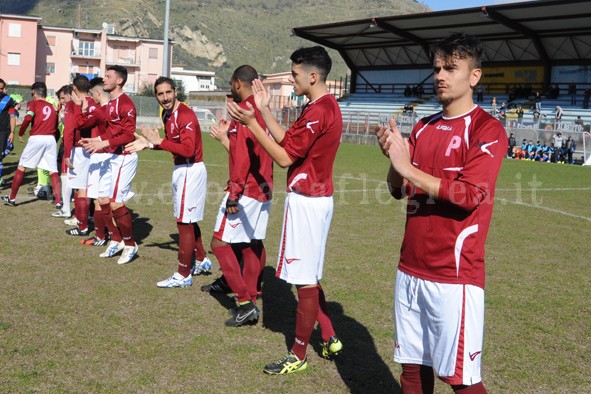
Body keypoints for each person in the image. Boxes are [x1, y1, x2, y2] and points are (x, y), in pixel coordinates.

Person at [376, 32, 506, 393]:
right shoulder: (424, 125)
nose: (440, 76)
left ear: (474, 76)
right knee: (412, 371)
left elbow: (468, 195)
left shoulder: (487, 129)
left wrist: (408, 166)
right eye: (437, 68)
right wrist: (394, 159)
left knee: (462, 380)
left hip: (454, 276)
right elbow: (396, 189)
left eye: (451, 68)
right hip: (410, 268)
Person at [227, 46, 343, 374]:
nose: (291, 79)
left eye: (294, 74)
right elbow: (289, 141)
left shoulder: (320, 110)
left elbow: (282, 158)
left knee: (304, 282)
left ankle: (298, 354)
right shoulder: (319, 106)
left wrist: (251, 123)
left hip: (307, 201)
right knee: (308, 277)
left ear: (313, 76)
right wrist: (263, 113)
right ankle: (329, 336)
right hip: (313, 199)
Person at [199, 65, 274, 326]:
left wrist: (234, 191)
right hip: (264, 188)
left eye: (232, 85)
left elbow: (242, 157)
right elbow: (252, 152)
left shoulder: (244, 111)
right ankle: (253, 292)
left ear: (237, 83)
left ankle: (244, 302)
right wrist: (225, 137)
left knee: (219, 243)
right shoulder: (261, 110)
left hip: (247, 190)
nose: (231, 89)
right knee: (251, 243)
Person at [125, 76, 211, 286]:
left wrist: (159, 142)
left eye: (168, 92)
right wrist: (150, 145)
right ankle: (201, 260)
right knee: (188, 219)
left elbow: (189, 150)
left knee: (184, 222)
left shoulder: (185, 115)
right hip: (181, 169)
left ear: (175, 92)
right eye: (160, 94)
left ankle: (183, 275)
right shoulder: (166, 114)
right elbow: (172, 145)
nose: (165, 98)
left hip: (190, 169)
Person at [80, 65, 138, 265]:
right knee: (103, 199)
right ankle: (115, 239)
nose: (104, 79)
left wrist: (103, 142)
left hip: (125, 157)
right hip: (113, 155)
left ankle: (130, 244)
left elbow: (128, 135)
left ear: (119, 81)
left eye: (108, 76)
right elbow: (113, 133)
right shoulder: (112, 103)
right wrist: (95, 141)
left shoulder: (126, 104)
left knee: (115, 202)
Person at [2, 82, 62, 209]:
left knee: (22, 166)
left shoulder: (33, 104)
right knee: (53, 170)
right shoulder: (52, 106)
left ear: (34, 92)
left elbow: (28, 119)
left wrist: (21, 132)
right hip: (50, 139)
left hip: (37, 137)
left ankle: (12, 198)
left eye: (32, 93)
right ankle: (58, 201)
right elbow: (57, 122)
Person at [76, 77, 111, 246]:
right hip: (113, 155)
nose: (92, 98)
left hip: (99, 155)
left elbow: (82, 124)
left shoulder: (98, 110)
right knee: (108, 199)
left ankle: (101, 236)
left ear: (98, 93)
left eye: (92, 94)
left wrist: (82, 109)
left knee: (97, 199)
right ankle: (110, 234)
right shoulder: (114, 109)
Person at [0, 79, 17, 187]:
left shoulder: (8, 100)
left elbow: (12, 116)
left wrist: (12, 132)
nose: (0, 90)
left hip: (3, 132)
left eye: (2, 88)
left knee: (1, 155)